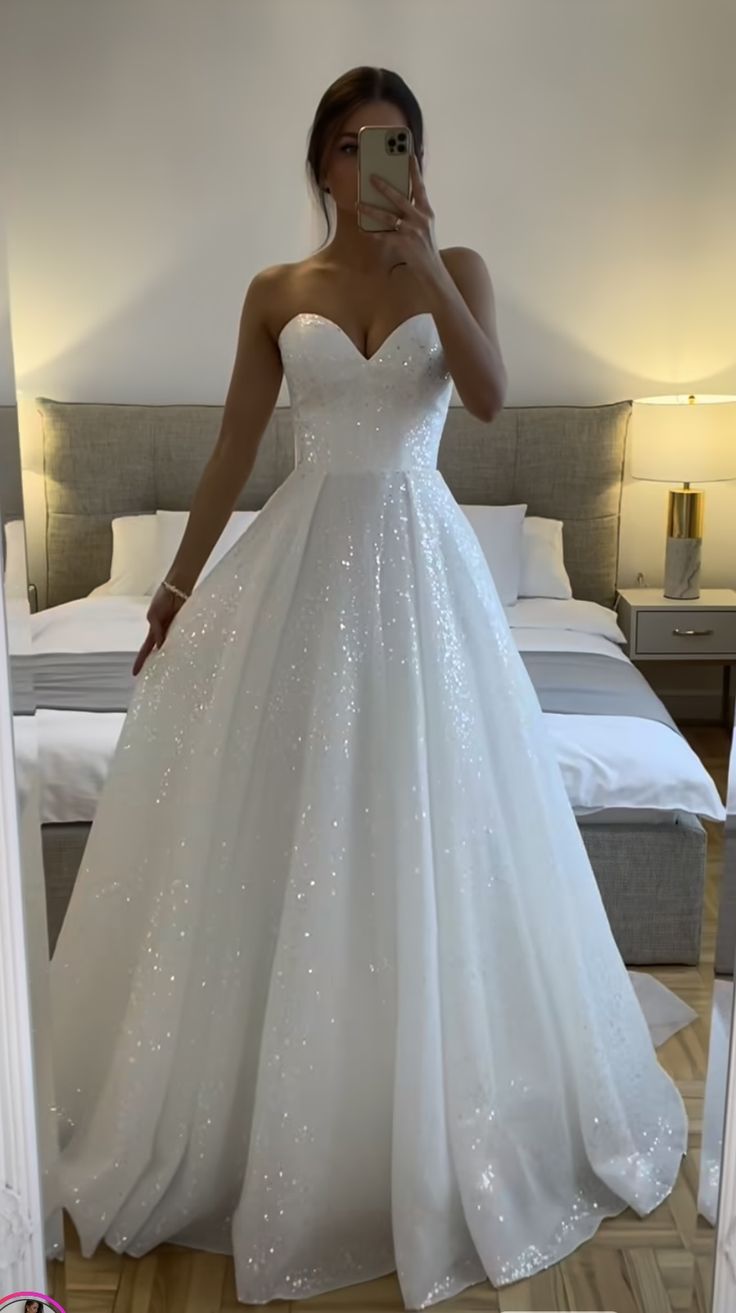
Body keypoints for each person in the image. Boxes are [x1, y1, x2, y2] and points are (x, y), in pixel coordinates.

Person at [46, 66, 690, 1310]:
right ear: (320, 163)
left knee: (425, 812)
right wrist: (172, 595)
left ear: (415, 157)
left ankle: (424, 1092)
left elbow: (491, 398)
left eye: (391, 143)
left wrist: (435, 263)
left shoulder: (462, 270)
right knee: (289, 814)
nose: (369, 165)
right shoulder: (273, 292)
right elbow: (234, 449)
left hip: (422, 572)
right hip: (299, 572)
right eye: (349, 146)